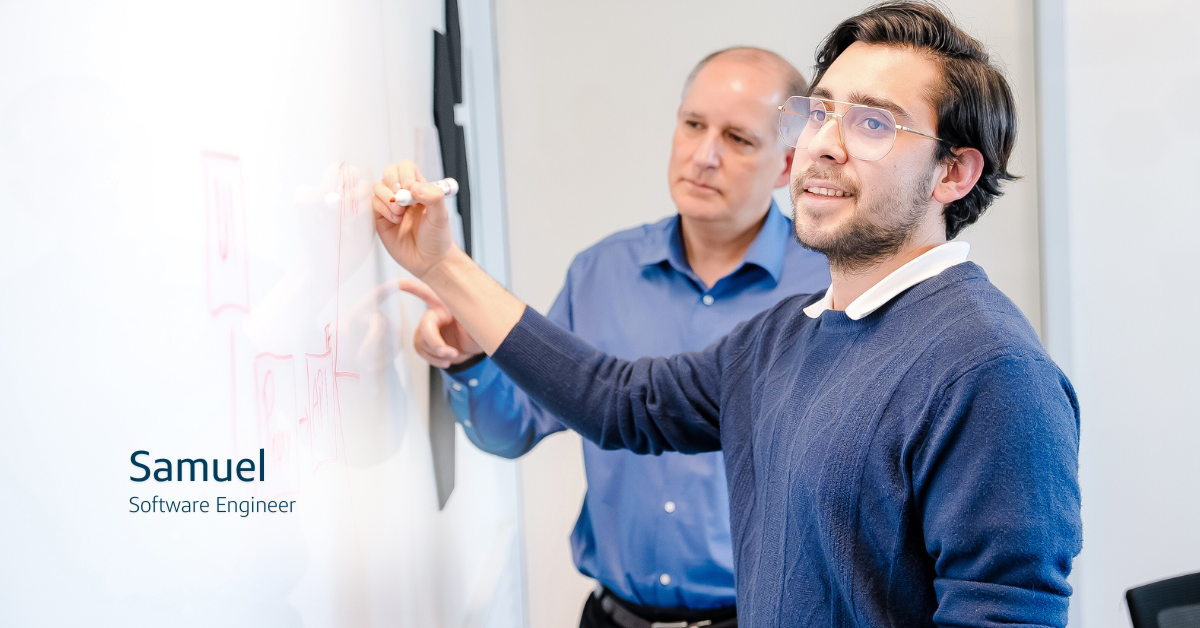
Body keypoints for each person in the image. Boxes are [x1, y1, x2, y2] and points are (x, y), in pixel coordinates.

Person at [372, 2, 1082, 626]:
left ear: (954, 173)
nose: (824, 144)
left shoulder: (991, 371)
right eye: (821, 111)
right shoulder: (788, 332)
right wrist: (442, 265)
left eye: (873, 123)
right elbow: (617, 401)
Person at [399, 48, 829, 628]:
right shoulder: (601, 272)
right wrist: (471, 359)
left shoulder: (827, 290)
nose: (704, 157)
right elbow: (515, 427)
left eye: (738, 139)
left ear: (786, 166)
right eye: (694, 125)